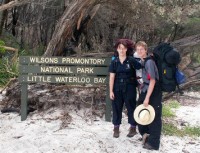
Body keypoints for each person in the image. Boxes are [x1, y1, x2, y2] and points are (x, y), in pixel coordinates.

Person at [109, 39, 141, 138]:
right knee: (116, 108)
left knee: (131, 107)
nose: (121, 50)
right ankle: (116, 128)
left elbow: (141, 68)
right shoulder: (114, 62)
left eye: (123, 48)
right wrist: (111, 91)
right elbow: (112, 77)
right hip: (117, 88)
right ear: (117, 49)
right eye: (120, 48)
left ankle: (132, 128)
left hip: (130, 87)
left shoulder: (131, 60)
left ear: (126, 49)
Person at [135, 41, 162, 150]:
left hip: (153, 91)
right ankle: (146, 135)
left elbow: (152, 81)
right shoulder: (142, 61)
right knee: (142, 112)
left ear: (146, 50)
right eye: (138, 49)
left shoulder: (149, 62)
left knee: (154, 116)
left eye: (142, 49)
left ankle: (154, 143)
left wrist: (147, 98)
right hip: (145, 90)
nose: (140, 51)